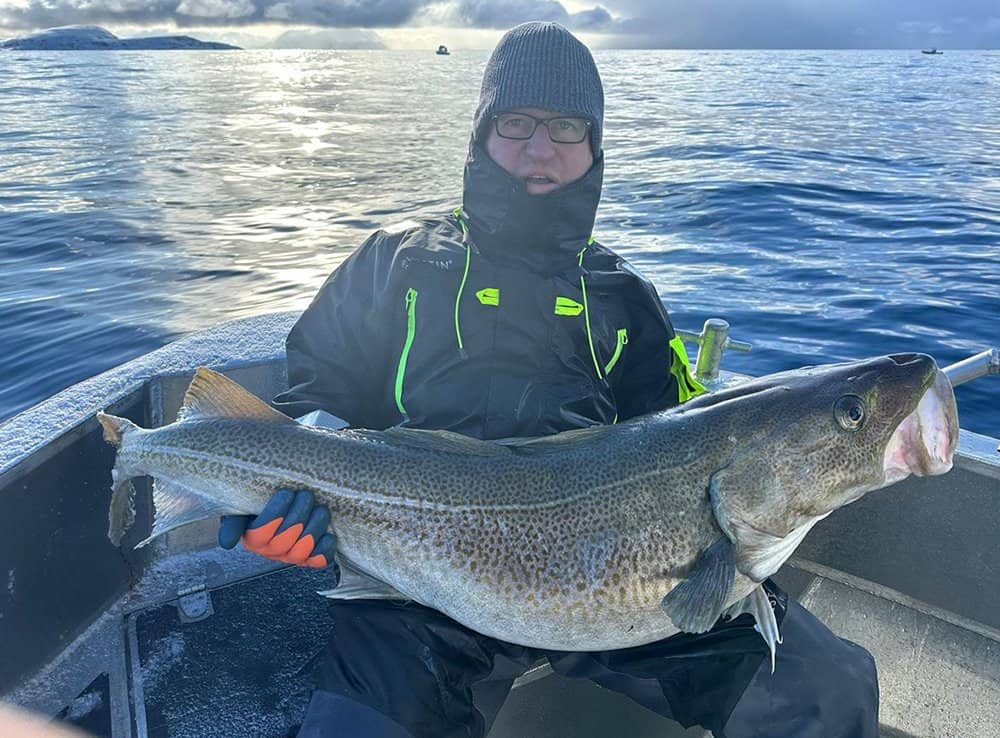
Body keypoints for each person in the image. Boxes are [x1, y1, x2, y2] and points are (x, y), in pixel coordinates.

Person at [218, 21, 879, 738]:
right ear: (482, 134)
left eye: (566, 125)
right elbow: (310, 406)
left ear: (594, 144)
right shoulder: (394, 265)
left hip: (625, 585)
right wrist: (275, 511)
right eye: (517, 122)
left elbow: (692, 453)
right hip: (415, 586)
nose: (540, 148)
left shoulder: (627, 301)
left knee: (827, 690)